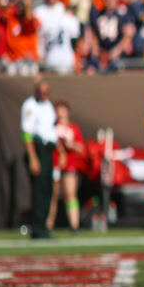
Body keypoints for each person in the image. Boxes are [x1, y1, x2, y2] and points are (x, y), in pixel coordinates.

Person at [20, 80, 57, 239]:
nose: (44, 95)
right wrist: (33, 158)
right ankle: (38, 227)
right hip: (38, 149)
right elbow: (27, 133)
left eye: (47, 91)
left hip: (49, 149)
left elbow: (51, 129)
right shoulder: (30, 105)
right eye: (42, 91)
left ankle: (44, 225)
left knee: (48, 189)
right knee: (39, 190)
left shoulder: (48, 105)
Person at [48, 100, 84, 234]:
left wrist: (71, 144)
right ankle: (48, 225)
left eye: (63, 109)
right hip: (55, 165)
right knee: (52, 196)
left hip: (69, 165)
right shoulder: (52, 127)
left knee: (71, 194)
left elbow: (81, 148)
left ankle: (74, 225)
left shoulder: (73, 128)